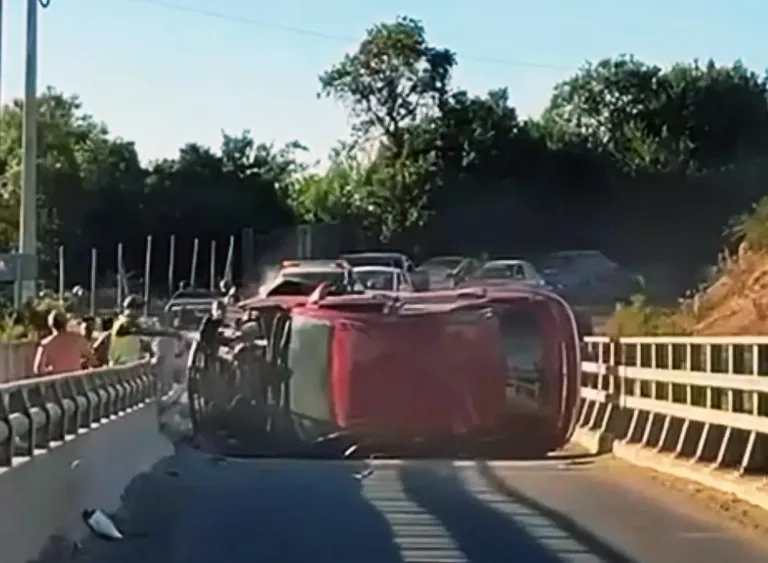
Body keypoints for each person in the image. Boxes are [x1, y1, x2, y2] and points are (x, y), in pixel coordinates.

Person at [109, 295, 181, 366]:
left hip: (126, 366)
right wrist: (171, 333)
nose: (141, 312)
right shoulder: (125, 324)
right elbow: (148, 332)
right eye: (140, 309)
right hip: (120, 366)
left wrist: (151, 353)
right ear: (133, 309)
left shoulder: (126, 322)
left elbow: (141, 340)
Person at [33, 311, 95, 376]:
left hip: (57, 382)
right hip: (75, 381)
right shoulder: (77, 339)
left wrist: (50, 369)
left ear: (50, 324)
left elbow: (38, 369)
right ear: (66, 323)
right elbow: (92, 360)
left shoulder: (45, 344)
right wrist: (79, 364)